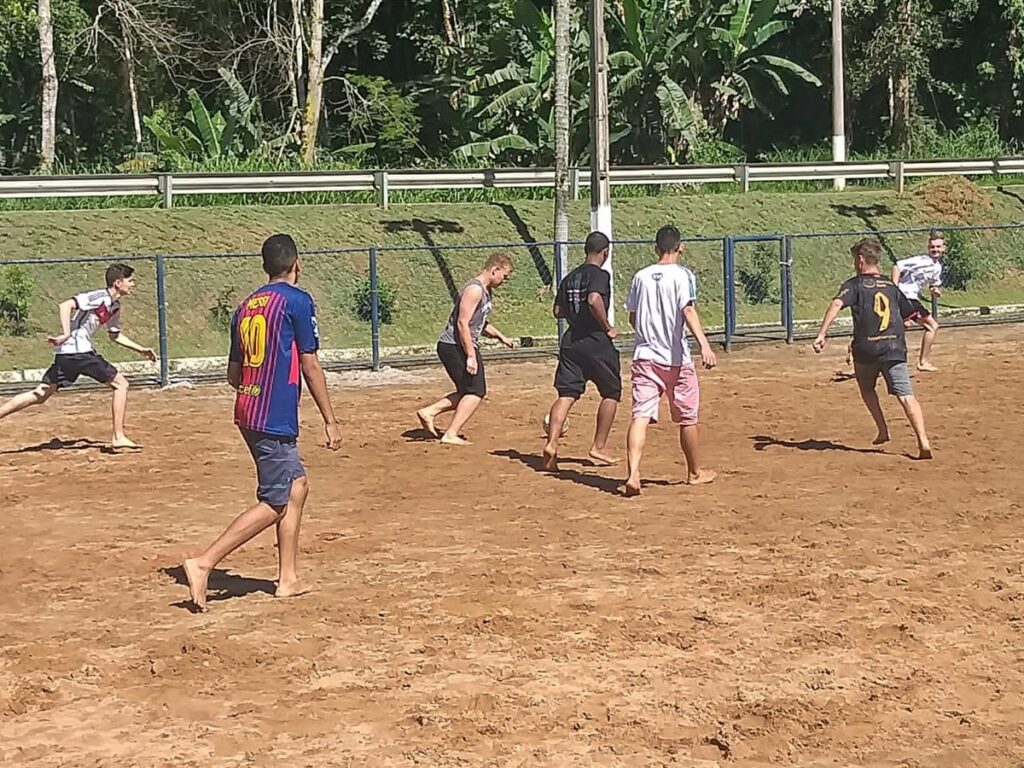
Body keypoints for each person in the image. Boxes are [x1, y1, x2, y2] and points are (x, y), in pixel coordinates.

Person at [183, 234, 342, 612]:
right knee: (276, 501)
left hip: (249, 410)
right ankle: (204, 561)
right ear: (297, 263)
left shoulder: (245, 307)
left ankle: (288, 578)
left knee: (297, 486)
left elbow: (233, 375)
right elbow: (310, 363)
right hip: (274, 416)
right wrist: (330, 419)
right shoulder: (297, 301)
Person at [0, 263, 156, 449]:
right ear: (117, 282)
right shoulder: (99, 296)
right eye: (130, 281)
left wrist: (141, 349)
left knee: (41, 394)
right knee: (121, 384)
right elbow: (66, 305)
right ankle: (118, 436)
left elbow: (115, 335)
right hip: (78, 351)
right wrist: (66, 333)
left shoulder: (114, 306)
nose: (133, 284)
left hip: (69, 354)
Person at [813, 237, 932, 460]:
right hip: (894, 348)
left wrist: (822, 333)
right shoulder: (890, 285)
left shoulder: (854, 284)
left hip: (867, 349)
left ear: (860, 260)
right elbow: (909, 316)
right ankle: (923, 440)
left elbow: (837, 303)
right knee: (906, 396)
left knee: (867, 389)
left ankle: (883, 429)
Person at [623, 225, 718, 496]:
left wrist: (647, 332)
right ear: (680, 246)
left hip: (644, 356)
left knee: (640, 415)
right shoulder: (683, 275)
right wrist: (705, 346)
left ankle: (633, 473)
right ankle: (694, 473)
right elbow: (687, 309)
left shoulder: (640, 276)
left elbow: (632, 316)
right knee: (688, 417)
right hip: (676, 359)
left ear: (655, 248)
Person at [415, 253, 515, 445]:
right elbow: (462, 323)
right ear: (494, 270)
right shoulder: (474, 290)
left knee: (467, 391)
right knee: (476, 391)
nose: (505, 280)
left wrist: (501, 336)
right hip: (454, 346)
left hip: (460, 345)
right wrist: (470, 355)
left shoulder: (485, 292)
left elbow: (480, 324)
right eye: (504, 275)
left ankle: (429, 412)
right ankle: (451, 434)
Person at [542, 231, 621, 471]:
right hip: (595, 342)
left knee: (566, 394)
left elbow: (557, 311)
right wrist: (606, 326)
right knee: (611, 393)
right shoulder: (600, 275)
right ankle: (598, 446)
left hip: (571, 341)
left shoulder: (570, 277)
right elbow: (594, 299)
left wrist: (574, 313)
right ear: (605, 252)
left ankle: (552, 444)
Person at [892, 231, 944, 372]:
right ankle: (923, 362)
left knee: (902, 326)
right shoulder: (920, 260)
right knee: (932, 326)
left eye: (938, 247)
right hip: (906, 297)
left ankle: (858, 345)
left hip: (911, 297)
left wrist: (935, 290)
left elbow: (933, 284)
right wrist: (894, 289)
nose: (935, 250)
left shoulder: (937, 267)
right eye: (932, 247)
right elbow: (897, 266)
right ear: (928, 248)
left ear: (944, 248)